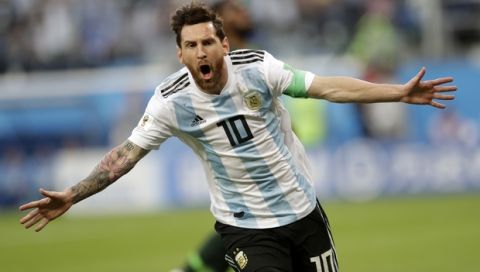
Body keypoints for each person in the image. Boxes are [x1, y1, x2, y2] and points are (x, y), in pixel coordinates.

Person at [19, 2, 456, 271]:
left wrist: (397, 92)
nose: (200, 52)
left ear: (224, 44)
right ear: (181, 54)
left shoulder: (258, 68)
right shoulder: (171, 100)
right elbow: (126, 154)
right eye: (191, 46)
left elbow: (327, 87)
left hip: (304, 213)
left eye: (207, 42)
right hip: (245, 229)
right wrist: (73, 195)